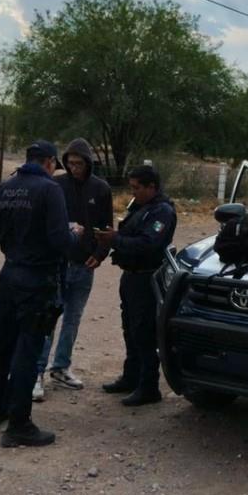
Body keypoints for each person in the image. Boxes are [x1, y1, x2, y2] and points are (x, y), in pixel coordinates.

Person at [0, 140, 83, 447]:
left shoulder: (6, 187)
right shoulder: (50, 189)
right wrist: (73, 235)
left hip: (9, 275)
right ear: (50, 162)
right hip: (38, 280)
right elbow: (58, 240)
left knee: (0, 343)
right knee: (28, 348)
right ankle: (19, 424)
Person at [31, 138, 113, 401]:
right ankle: (37, 372)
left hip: (84, 263)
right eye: (70, 163)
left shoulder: (101, 189)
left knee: (73, 318)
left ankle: (61, 366)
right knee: (49, 317)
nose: (74, 167)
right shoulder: (55, 185)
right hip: (58, 263)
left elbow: (106, 226)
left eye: (78, 163)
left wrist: (100, 254)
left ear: (88, 163)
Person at [95, 165, 177, 407]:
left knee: (143, 332)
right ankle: (131, 377)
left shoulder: (162, 211)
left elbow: (148, 244)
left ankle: (149, 385)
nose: (133, 192)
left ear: (151, 187)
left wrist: (115, 239)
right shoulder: (141, 207)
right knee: (130, 329)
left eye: (137, 188)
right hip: (131, 275)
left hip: (147, 277)